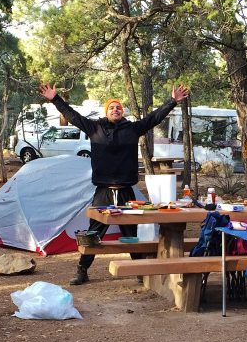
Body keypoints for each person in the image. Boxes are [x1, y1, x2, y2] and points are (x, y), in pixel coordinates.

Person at [38, 83, 191, 285]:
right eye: (112, 107)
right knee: (94, 232)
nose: (115, 110)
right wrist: (55, 99)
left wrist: (172, 102)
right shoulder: (95, 128)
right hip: (103, 191)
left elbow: (154, 118)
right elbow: (73, 116)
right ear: (106, 111)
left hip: (127, 191)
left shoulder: (132, 129)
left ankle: (139, 271)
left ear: (122, 111)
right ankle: (82, 270)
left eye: (118, 107)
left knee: (131, 232)